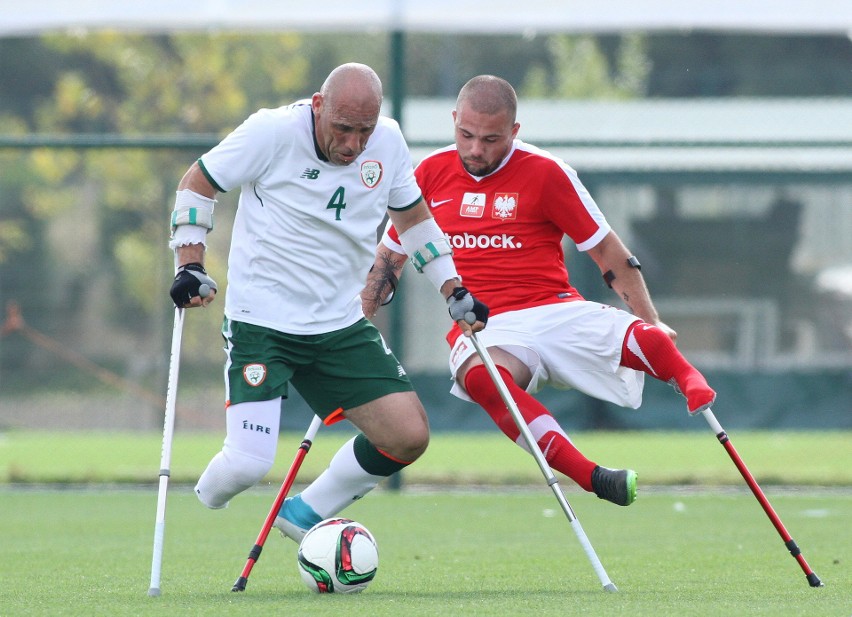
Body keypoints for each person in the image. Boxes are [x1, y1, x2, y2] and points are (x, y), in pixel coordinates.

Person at [167, 63, 488, 541]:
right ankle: (201, 499)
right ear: (319, 106)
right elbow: (199, 182)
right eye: (343, 128)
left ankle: (303, 513)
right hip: (263, 322)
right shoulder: (271, 132)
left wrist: (453, 288)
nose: (354, 145)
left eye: (365, 130)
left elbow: (414, 221)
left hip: (339, 325)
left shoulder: (389, 143)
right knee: (246, 466)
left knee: (407, 435)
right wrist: (190, 265)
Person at [362, 75, 716, 507]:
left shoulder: (547, 173)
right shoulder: (428, 175)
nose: (476, 149)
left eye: (491, 139)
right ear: (454, 120)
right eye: (466, 135)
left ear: (514, 131)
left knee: (646, 336)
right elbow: (387, 263)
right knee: (481, 378)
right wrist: (356, 326)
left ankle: (690, 381)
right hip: (484, 324)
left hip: (553, 308)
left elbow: (608, 254)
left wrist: (651, 319)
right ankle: (592, 477)